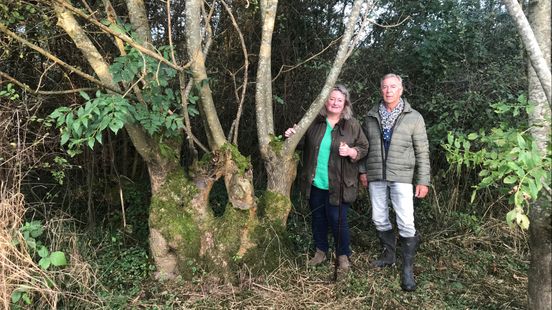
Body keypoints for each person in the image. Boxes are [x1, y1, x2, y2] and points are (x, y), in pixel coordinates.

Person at [285, 84, 368, 271]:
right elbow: (300, 143)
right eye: (331, 99)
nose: (335, 103)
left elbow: (364, 147)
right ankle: (320, 251)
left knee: (337, 219)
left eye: (339, 100)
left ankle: (343, 255)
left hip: (340, 184)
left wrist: (351, 151)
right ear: (325, 101)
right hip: (315, 182)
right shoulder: (314, 122)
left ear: (345, 103)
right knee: (318, 218)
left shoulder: (352, 124)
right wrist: (292, 135)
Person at [359, 73, 430, 291]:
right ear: (380, 90)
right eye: (384, 87)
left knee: (406, 221)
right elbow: (363, 146)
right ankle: (389, 256)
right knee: (379, 217)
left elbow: (422, 151)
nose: (388, 90)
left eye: (393, 87)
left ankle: (407, 268)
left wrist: (423, 180)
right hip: (376, 175)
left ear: (401, 90)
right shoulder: (371, 116)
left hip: (402, 176)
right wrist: (362, 171)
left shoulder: (414, 117)